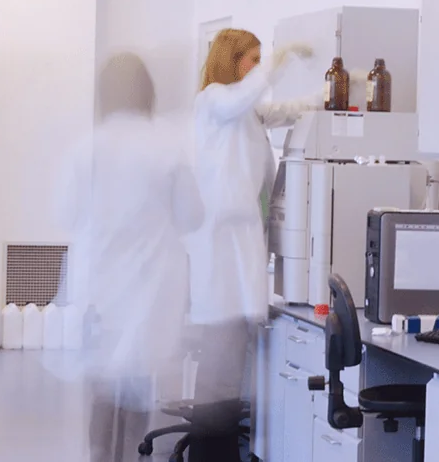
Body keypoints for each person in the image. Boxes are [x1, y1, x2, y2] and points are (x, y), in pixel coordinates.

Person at [54, 55, 207, 462]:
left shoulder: (85, 149)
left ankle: (99, 456)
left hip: (98, 289)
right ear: (148, 93)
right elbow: (193, 215)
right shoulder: (166, 148)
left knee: (101, 388)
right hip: (148, 288)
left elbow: (65, 213)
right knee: (138, 387)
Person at [188, 28, 321, 330]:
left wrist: (335, 91)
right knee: (221, 360)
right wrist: (278, 61)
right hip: (223, 248)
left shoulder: (246, 111)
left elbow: (291, 110)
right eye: (254, 60)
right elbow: (240, 99)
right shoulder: (212, 101)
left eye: (262, 60)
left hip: (245, 235)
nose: (259, 67)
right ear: (231, 60)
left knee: (233, 362)